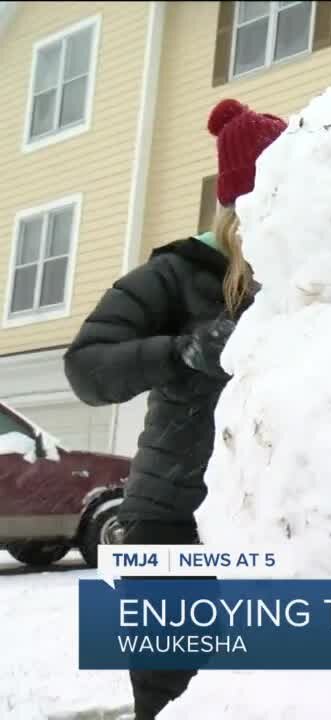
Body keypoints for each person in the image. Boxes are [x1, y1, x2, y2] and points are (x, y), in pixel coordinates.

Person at [63, 98, 285, 720]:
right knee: (171, 697)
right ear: (239, 207)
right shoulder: (174, 273)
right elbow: (86, 366)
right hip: (172, 521)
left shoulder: (296, 277)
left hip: (263, 525)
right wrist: (182, 350)